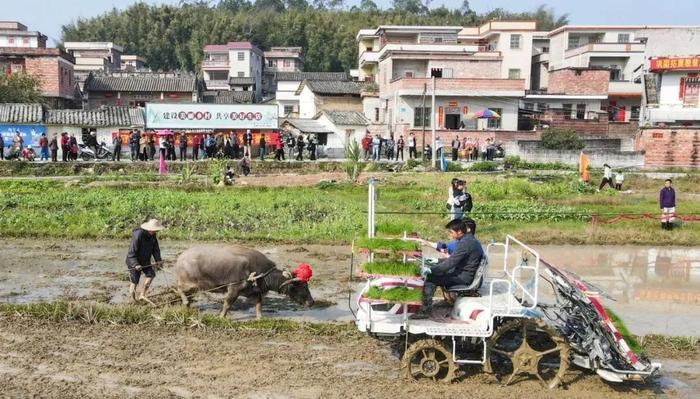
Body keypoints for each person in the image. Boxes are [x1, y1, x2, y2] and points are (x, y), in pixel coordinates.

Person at [411, 218, 484, 319]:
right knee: (437, 271)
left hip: (463, 277)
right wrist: (437, 262)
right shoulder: (468, 240)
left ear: (459, 232)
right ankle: (442, 301)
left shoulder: (465, 244)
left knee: (431, 278)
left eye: (451, 232)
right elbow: (452, 260)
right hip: (463, 271)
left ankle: (425, 311)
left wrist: (431, 270)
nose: (450, 235)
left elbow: (450, 263)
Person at [125, 219, 164, 304]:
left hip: (145, 260)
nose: (156, 231)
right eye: (154, 230)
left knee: (151, 275)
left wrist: (158, 260)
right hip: (134, 260)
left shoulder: (153, 235)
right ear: (149, 228)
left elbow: (155, 249)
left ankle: (142, 294)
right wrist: (135, 264)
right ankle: (133, 300)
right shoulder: (138, 234)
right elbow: (132, 252)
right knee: (134, 281)